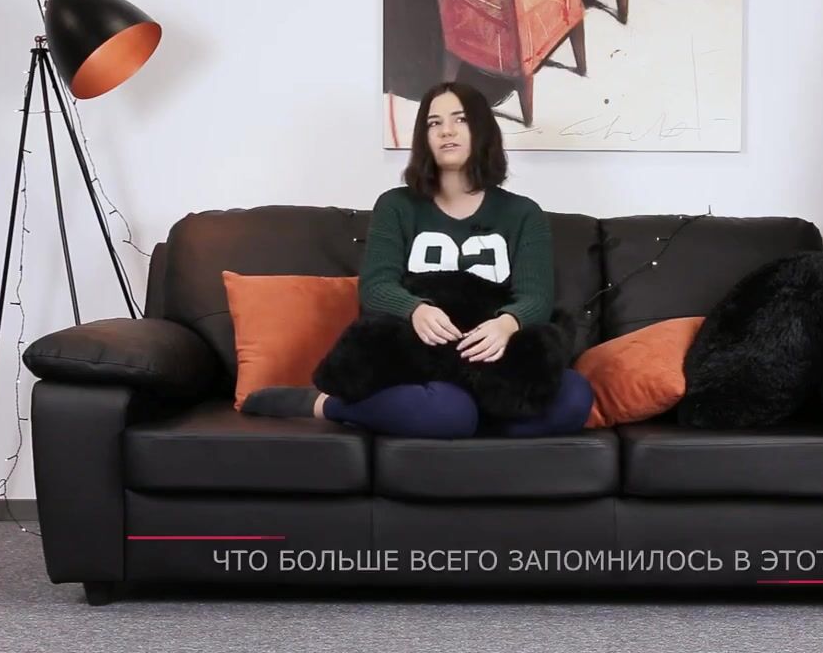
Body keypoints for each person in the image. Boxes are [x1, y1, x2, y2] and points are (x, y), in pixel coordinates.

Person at [242, 81, 594, 438]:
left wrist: (507, 324)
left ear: (482, 130)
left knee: (575, 396)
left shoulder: (523, 213)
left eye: (460, 119)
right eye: (433, 123)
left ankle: (470, 418)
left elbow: (536, 297)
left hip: (493, 363)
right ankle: (327, 405)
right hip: (422, 362)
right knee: (447, 411)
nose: (446, 131)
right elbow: (376, 287)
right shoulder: (396, 206)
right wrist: (416, 310)